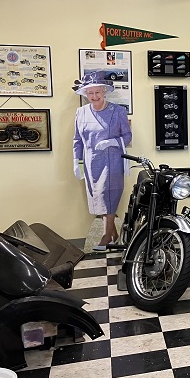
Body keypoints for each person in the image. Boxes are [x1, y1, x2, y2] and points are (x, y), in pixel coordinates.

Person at [72, 71, 132, 250]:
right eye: (90, 93)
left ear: (104, 91)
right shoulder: (81, 112)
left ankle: (106, 237)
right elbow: (77, 140)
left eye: (97, 92)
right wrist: (77, 161)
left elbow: (127, 136)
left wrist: (112, 142)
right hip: (91, 162)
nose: (94, 96)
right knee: (98, 198)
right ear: (85, 94)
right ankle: (114, 235)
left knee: (109, 196)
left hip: (112, 161)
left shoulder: (118, 111)